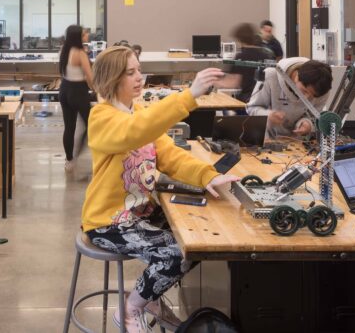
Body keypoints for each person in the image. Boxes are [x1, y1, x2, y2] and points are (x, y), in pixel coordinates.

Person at [82, 46, 238, 332]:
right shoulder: (101, 118)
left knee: (198, 240)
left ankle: (149, 297)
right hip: (108, 221)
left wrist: (207, 176)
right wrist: (188, 96)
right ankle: (131, 308)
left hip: (140, 212)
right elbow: (134, 130)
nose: (139, 78)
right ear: (112, 78)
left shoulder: (139, 111)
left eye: (139, 70)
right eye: (130, 72)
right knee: (175, 254)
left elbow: (170, 156)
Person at [246, 58, 333, 138]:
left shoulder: (322, 90)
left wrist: (307, 124)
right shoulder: (270, 76)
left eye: (312, 96)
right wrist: (268, 115)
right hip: (266, 138)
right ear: (297, 77)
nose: (306, 98)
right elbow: (251, 108)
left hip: (296, 143)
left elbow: (314, 117)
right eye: (304, 91)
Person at [59, 25, 94, 171]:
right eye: (84, 34)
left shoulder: (64, 50)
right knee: (92, 124)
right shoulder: (80, 53)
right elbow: (89, 77)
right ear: (78, 37)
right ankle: (78, 153)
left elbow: (66, 72)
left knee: (69, 127)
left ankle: (69, 160)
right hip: (78, 92)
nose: (87, 35)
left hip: (64, 89)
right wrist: (97, 90)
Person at [218, 23, 274, 103]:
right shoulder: (266, 56)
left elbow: (234, 83)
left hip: (247, 100)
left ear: (240, 39)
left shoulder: (240, 57)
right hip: (265, 100)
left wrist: (214, 82)